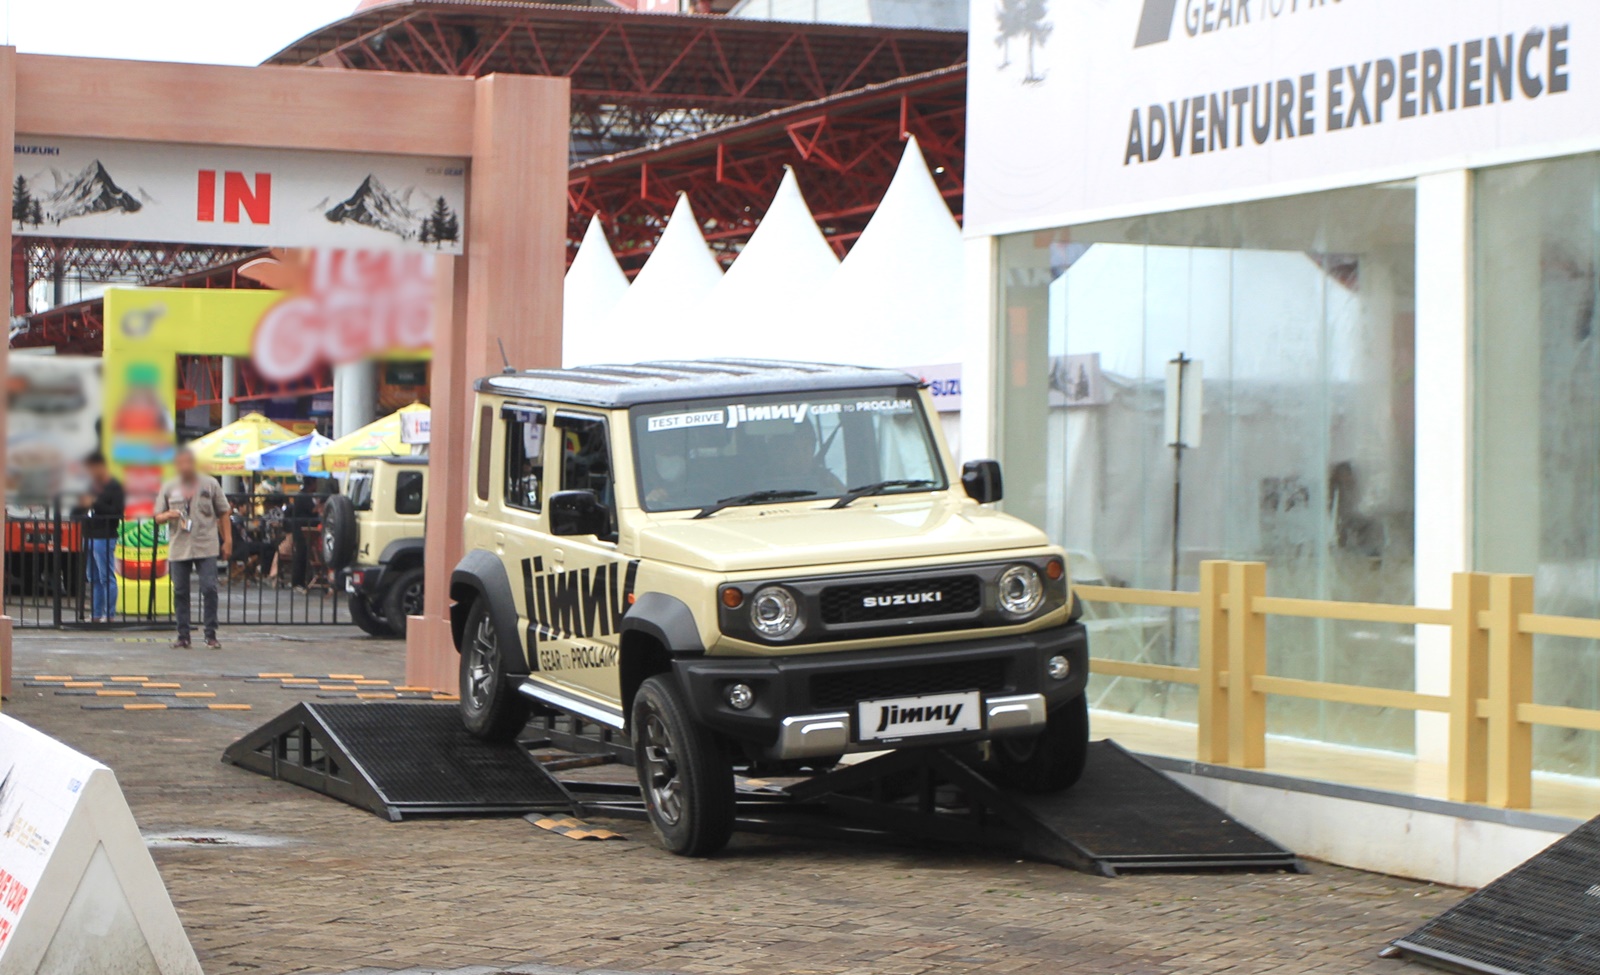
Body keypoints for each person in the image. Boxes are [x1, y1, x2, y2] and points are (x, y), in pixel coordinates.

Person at [155, 446, 232, 649]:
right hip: (179, 545)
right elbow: (157, 516)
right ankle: (183, 635)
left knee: (209, 588)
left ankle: (210, 634)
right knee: (180, 590)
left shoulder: (210, 484)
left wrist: (228, 540)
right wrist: (168, 515)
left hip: (206, 543)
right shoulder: (169, 486)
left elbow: (224, 512)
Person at [79, 452, 124, 624]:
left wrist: (95, 502)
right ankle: (96, 614)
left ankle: (109, 614)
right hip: (89, 533)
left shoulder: (114, 486)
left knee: (106, 576)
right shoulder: (90, 485)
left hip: (105, 535)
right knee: (93, 577)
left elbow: (117, 512)